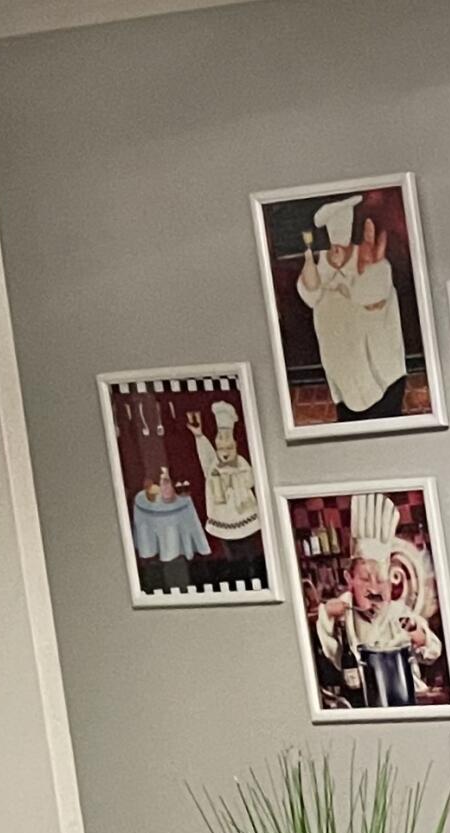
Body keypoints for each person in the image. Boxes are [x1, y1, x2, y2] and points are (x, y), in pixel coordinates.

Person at [308, 490, 443, 708]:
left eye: (381, 579)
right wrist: (327, 615)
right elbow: (332, 654)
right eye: (364, 579)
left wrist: (418, 636)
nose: (374, 588)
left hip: (404, 695)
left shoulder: (399, 612)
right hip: (363, 701)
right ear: (349, 579)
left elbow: (432, 650)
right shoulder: (345, 616)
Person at [294, 196, 410, 423]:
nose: (337, 251)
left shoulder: (369, 260)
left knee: (385, 413)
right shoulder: (321, 265)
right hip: (342, 365)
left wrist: (367, 275)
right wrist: (310, 262)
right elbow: (310, 293)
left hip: (378, 365)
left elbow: (375, 298)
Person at [189, 399, 266, 591]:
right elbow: (205, 456)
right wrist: (199, 436)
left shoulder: (240, 463)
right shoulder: (213, 465)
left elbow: (250, 481)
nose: (224, 453)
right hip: (223, 519)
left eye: (228, 448)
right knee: (233, 558)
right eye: (221, 449)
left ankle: (256, 578)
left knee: (250, 554)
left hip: (243, 517)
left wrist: (235, 478)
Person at [127, 463, 208, 597]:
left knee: (177, 568)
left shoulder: (180, 501)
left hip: (178, 557)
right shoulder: (143, 500)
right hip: (154, 563)